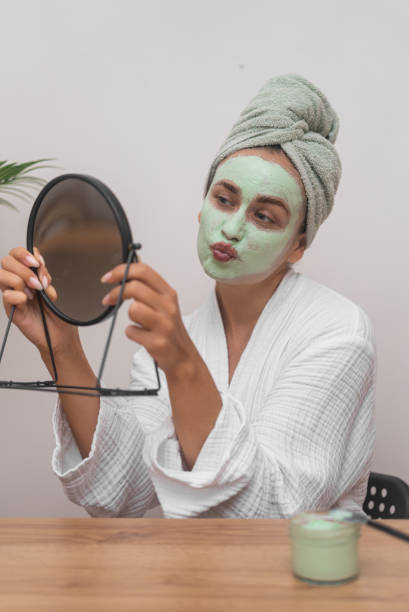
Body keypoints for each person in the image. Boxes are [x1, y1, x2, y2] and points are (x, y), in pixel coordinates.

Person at [0, 74, 376, 519]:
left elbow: (274, 515)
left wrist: (182, 364)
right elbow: (125, 490)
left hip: (304, 582)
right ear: (202, 206)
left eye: (265, 216)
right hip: (194, 580)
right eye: (224, 199)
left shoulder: (337, 333)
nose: (232, 228)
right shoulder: (184, 332)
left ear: (299, 244)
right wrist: (62, 346)